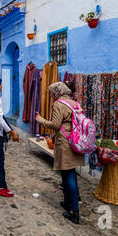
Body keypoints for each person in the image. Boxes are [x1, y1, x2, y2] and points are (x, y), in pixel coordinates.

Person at [36, 81, 84, 224]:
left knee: (68, 175)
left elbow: (55, 125)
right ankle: (68, 202)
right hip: (75, 141)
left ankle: (74, 211)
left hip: (65, 143)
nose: (51, 96)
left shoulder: (58, 104)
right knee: (68, 172)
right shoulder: (74, 103)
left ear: (57, 92)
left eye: (51, 93)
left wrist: (40, 120)